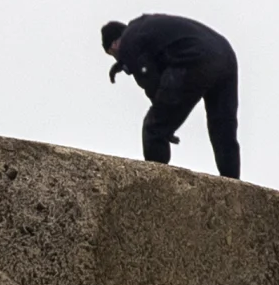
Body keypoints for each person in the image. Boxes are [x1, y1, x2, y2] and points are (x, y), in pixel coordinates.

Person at [101, 12, 241, 178]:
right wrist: (169, 117)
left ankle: (157, 186)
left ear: (114, 44)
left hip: (194, 57)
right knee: (222, 127)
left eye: (112, 54)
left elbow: (150, 81)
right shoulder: (144, 29)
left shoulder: (128, 41)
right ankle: (233, 182)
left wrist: (164, 120)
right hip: (225, 54)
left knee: (153, 129)